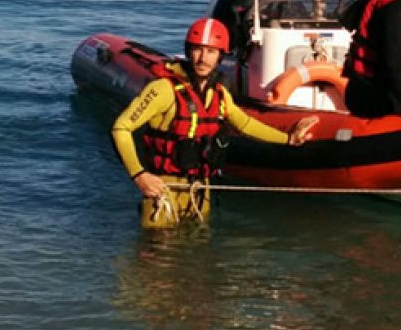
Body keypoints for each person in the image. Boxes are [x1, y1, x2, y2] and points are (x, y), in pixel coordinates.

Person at [112, 18, 318, 228]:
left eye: (211, 51)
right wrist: (139, 176)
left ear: (220, 55)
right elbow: (121, 128)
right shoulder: (163, 90)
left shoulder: (219, 95)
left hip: (200, 190)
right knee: (157, 254)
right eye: (198, 50)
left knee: (198, 252)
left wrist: (289, 138)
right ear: (189, 51)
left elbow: (245, 124)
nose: (203, 58)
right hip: (162, 189)